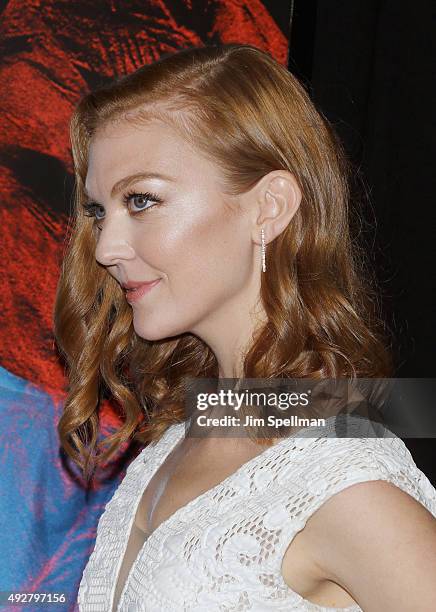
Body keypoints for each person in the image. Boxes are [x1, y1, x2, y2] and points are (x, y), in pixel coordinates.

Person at [53, 44, 436, 611]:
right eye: (99, 211)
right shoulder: (177, 441)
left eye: (142, 200)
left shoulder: (337, 475)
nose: (106, 247)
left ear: (269, 208)